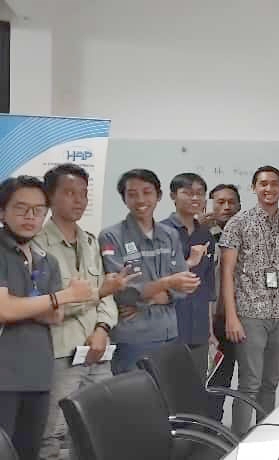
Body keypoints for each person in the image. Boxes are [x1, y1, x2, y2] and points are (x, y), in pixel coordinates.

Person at [36, 164, 137, 460]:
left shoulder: (90, 241)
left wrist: (102, 329)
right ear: (49, 197)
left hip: (98, 350)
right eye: (70, 193)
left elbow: (106, 293)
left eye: (83, 193)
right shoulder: (37, 245)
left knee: (97, 428)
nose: (79, 200)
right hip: (61, 352)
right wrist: (99, 292)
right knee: (52, 434)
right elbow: (49, 303)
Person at [0, 176, 96, 460]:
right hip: (4, 377)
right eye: (21, 208)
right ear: (2, 212)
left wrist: (23, 306)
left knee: (29, 452)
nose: (30, 216)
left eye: (38, 210)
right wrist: (62, 296)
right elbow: (4, 310)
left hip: (39, 375)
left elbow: (56, 316)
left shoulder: (45, 259)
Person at [219, 165, 279, 435]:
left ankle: (263, 436)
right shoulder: (238, 223)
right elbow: (226, 272)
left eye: (274, 183)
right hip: (249, 314)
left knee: (271, 382)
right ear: (254, 187)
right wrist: (231, 317)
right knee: (249, 383)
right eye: (263, 183)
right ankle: (239, 441)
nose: (269, 188)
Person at [100, 169, 202, 375]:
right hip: (132, 338)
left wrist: (148, 298)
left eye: (147, 192)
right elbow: (122, 293)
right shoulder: (111, 236)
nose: (140, 200)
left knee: (167, 393)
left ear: (159, 196)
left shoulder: (170, 234)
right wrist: (167, 283)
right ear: (124, 198)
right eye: (132, 194)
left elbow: (184, 286)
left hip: (169, 332)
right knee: (133, 394)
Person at [162, 173, 218, 378]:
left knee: (196, 387)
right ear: (173, 196)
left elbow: (207, 287)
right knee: (167, 386)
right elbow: (155, 280)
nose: (195, 198)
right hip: (169, 327)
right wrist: (189, 262)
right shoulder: (161, 232)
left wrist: (210, 330)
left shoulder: (205, 235)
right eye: (187, 193)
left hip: (199, 328)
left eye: (200, 193)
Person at [205, 183, 242, 421]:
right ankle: (200, 434)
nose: (226, 207)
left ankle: (218, 432)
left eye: (231, 202)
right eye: (220, 202)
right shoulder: (200, 236)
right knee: (206, 383)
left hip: (238, 320)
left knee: (225, 383)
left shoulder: (247, 235)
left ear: (239, 207)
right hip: (207, 321)